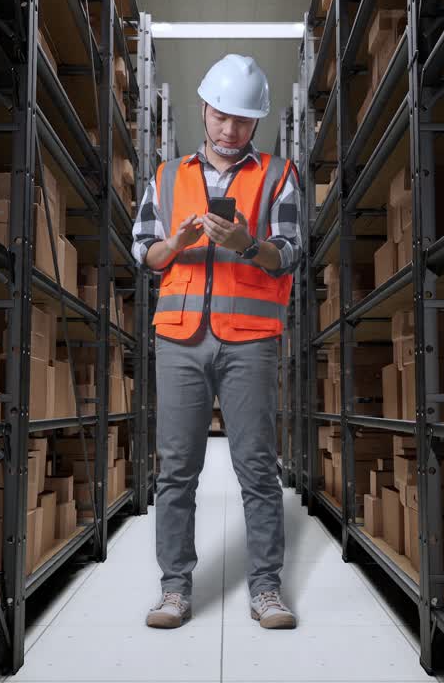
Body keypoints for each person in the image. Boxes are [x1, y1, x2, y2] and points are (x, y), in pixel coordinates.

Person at [131, 54, 303, 630]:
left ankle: (266, 590)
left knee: (257, 467)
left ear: (257, 123)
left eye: (244, 121)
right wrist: (177, 241)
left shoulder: (278, 174)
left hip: (249, 339)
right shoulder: (165, 176)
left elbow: (290, 253)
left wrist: (246, 244)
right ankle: (174, 589)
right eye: (223, 116)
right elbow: (147, 257)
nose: (231, 130)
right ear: (204, 109)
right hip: (179, 339)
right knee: (176, 470)